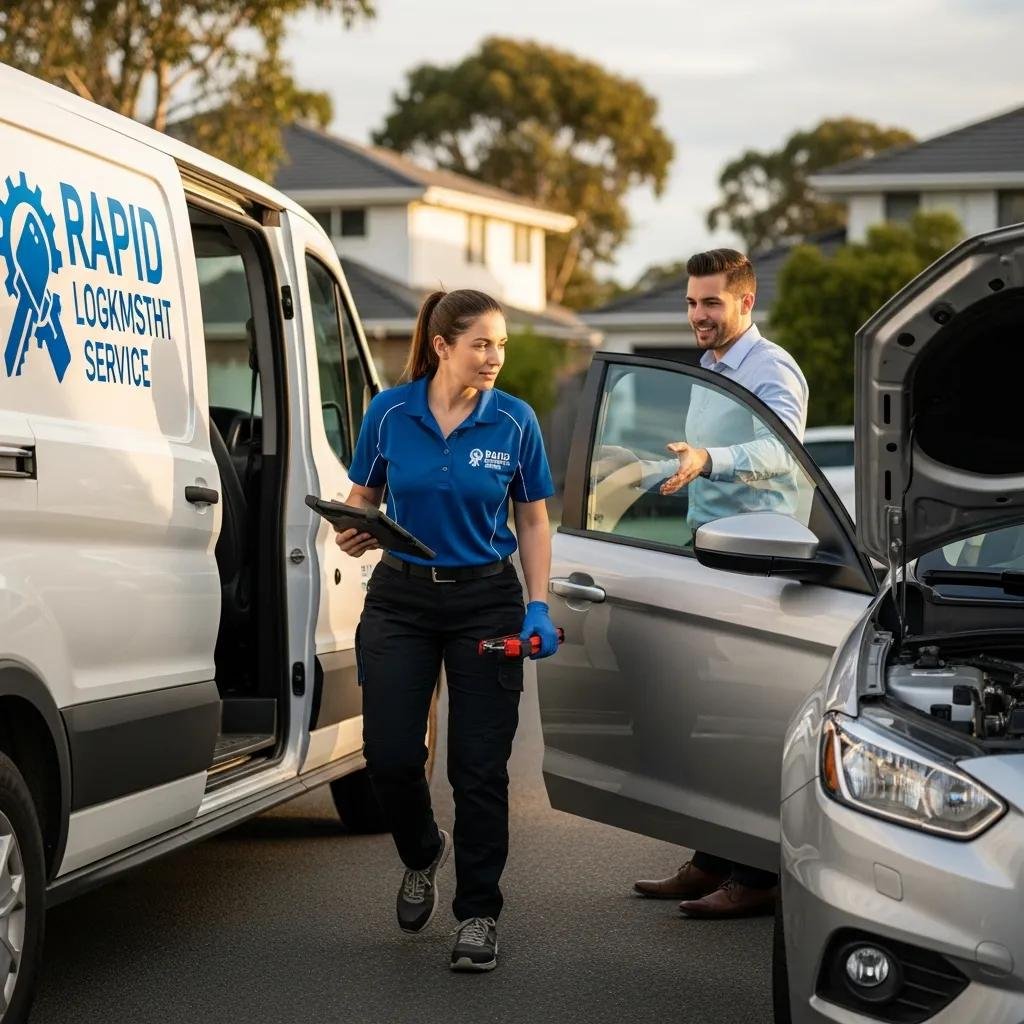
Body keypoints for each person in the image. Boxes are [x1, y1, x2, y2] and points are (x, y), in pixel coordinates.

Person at [334, 288, 559, 971]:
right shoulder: (389, 412)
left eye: (501, 346)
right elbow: (363, 498)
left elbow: (533, 520)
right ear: (442, 347)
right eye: (481, 344)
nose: (494, 358)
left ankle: (480, 914)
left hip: (487, 601)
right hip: (400, 599)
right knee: (391, 756)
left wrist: (538, 604)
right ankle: (423, 851)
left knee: (479, 769)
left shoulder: (515, 422)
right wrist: (356, 529)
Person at [630, 248, 808, 919]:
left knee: (745, 728)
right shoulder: (710, 370)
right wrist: (648, 469)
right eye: (690, 302)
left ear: (744, 303)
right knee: (704, 722)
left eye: (710, 303)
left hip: (758, 568)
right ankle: (711, 861)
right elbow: (703, 466)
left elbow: (782, 447)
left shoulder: (770, 368)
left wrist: (709, 459)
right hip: (711, 560)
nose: (697, 315)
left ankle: (757, 878)